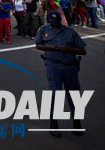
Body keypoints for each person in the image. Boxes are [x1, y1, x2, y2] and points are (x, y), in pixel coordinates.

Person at [35, 9, 87, 137]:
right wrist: (51, 47)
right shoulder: (43, 30)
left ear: (60, 21)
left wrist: (68, 49)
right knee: (55, 94)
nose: (54, 24)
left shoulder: (70, 32)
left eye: (56, 22)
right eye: (52, 22)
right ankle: (54, 124)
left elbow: (82, 50)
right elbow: (38, 45)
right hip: (53, 65)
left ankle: (77, 123)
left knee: (74, 94)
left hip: (70, 66)